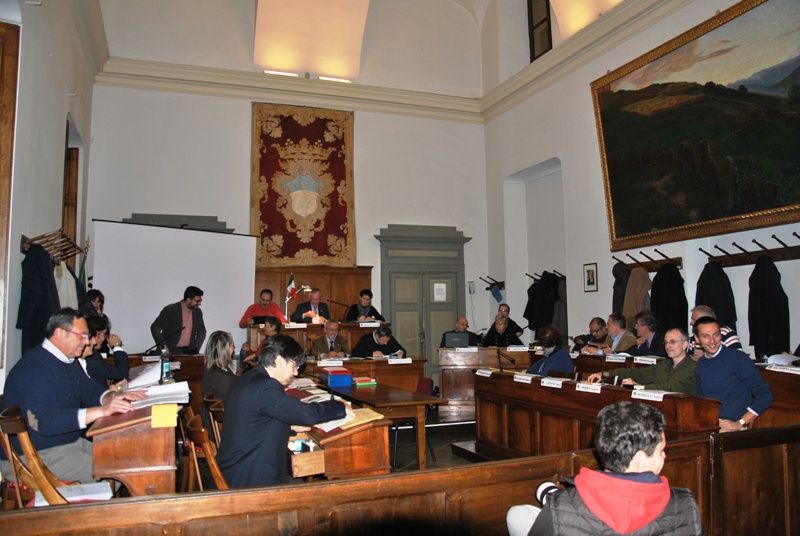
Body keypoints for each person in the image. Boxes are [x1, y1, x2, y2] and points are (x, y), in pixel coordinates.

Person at [513, 401, 702, 535]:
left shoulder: (561, 506)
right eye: (661, 450)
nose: (664, 456)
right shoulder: (685, 504)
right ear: (640, 460)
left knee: (517, 514)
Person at [0, 309, 146, 483]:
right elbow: (44, 422)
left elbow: (90, 389)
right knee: (122, 470)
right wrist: (102, 411)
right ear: (60, 333)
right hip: (35, 457)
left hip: (66, 444)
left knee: (126, 458)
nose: (87, 342)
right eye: (82, 336)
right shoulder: (34, 369)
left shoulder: (67, 361)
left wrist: (113, 396)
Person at [216, 335, 350, 488]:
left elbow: (255, 420)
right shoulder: (266, 386)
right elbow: (308, 414)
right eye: (294, 365)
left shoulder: (248, 378)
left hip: (235, 470)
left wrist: (288, 426)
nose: (296, 373)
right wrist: (340, 406)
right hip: (251, 480)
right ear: (279, 360)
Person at [694, 316, 772, 432]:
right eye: (706, 336)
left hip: (733, 426)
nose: (712, 341)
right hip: (710, 424)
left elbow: (765, 396)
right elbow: (700, 400)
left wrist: (740, 423)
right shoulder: (701, 364)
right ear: (697, 339)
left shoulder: (738, 359)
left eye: (716, 335)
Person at [588, 328, 696, 394]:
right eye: (666, 342)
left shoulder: (693, 367)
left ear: (685, 344)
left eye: (672, 342)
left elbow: (673, 388)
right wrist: (605, 374)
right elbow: (636, 373)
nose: (668, 346)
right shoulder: (664, 365)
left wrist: (640, 387)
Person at [150, 285, 207, 354]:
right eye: (197, 301)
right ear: (188, 299)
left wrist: (196, 348)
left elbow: (202, 331)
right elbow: (155, 327)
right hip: (169, 352)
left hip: (189, 352)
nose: (200, 303)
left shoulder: (198, 312)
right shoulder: (171, 309)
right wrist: (163, 346)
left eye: (200, 300)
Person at [82, 314, 129, 387]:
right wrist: (116, 347)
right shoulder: (92, 358)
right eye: (103, 335)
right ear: (96, 334)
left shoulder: (93, 355)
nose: (103, 339)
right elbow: (122, 374)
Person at [202, 330, 237, 402]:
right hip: (223, 409)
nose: (234, 348)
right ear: (225, 349)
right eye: (232, 345)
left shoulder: (217, 369)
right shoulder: (220, 376)